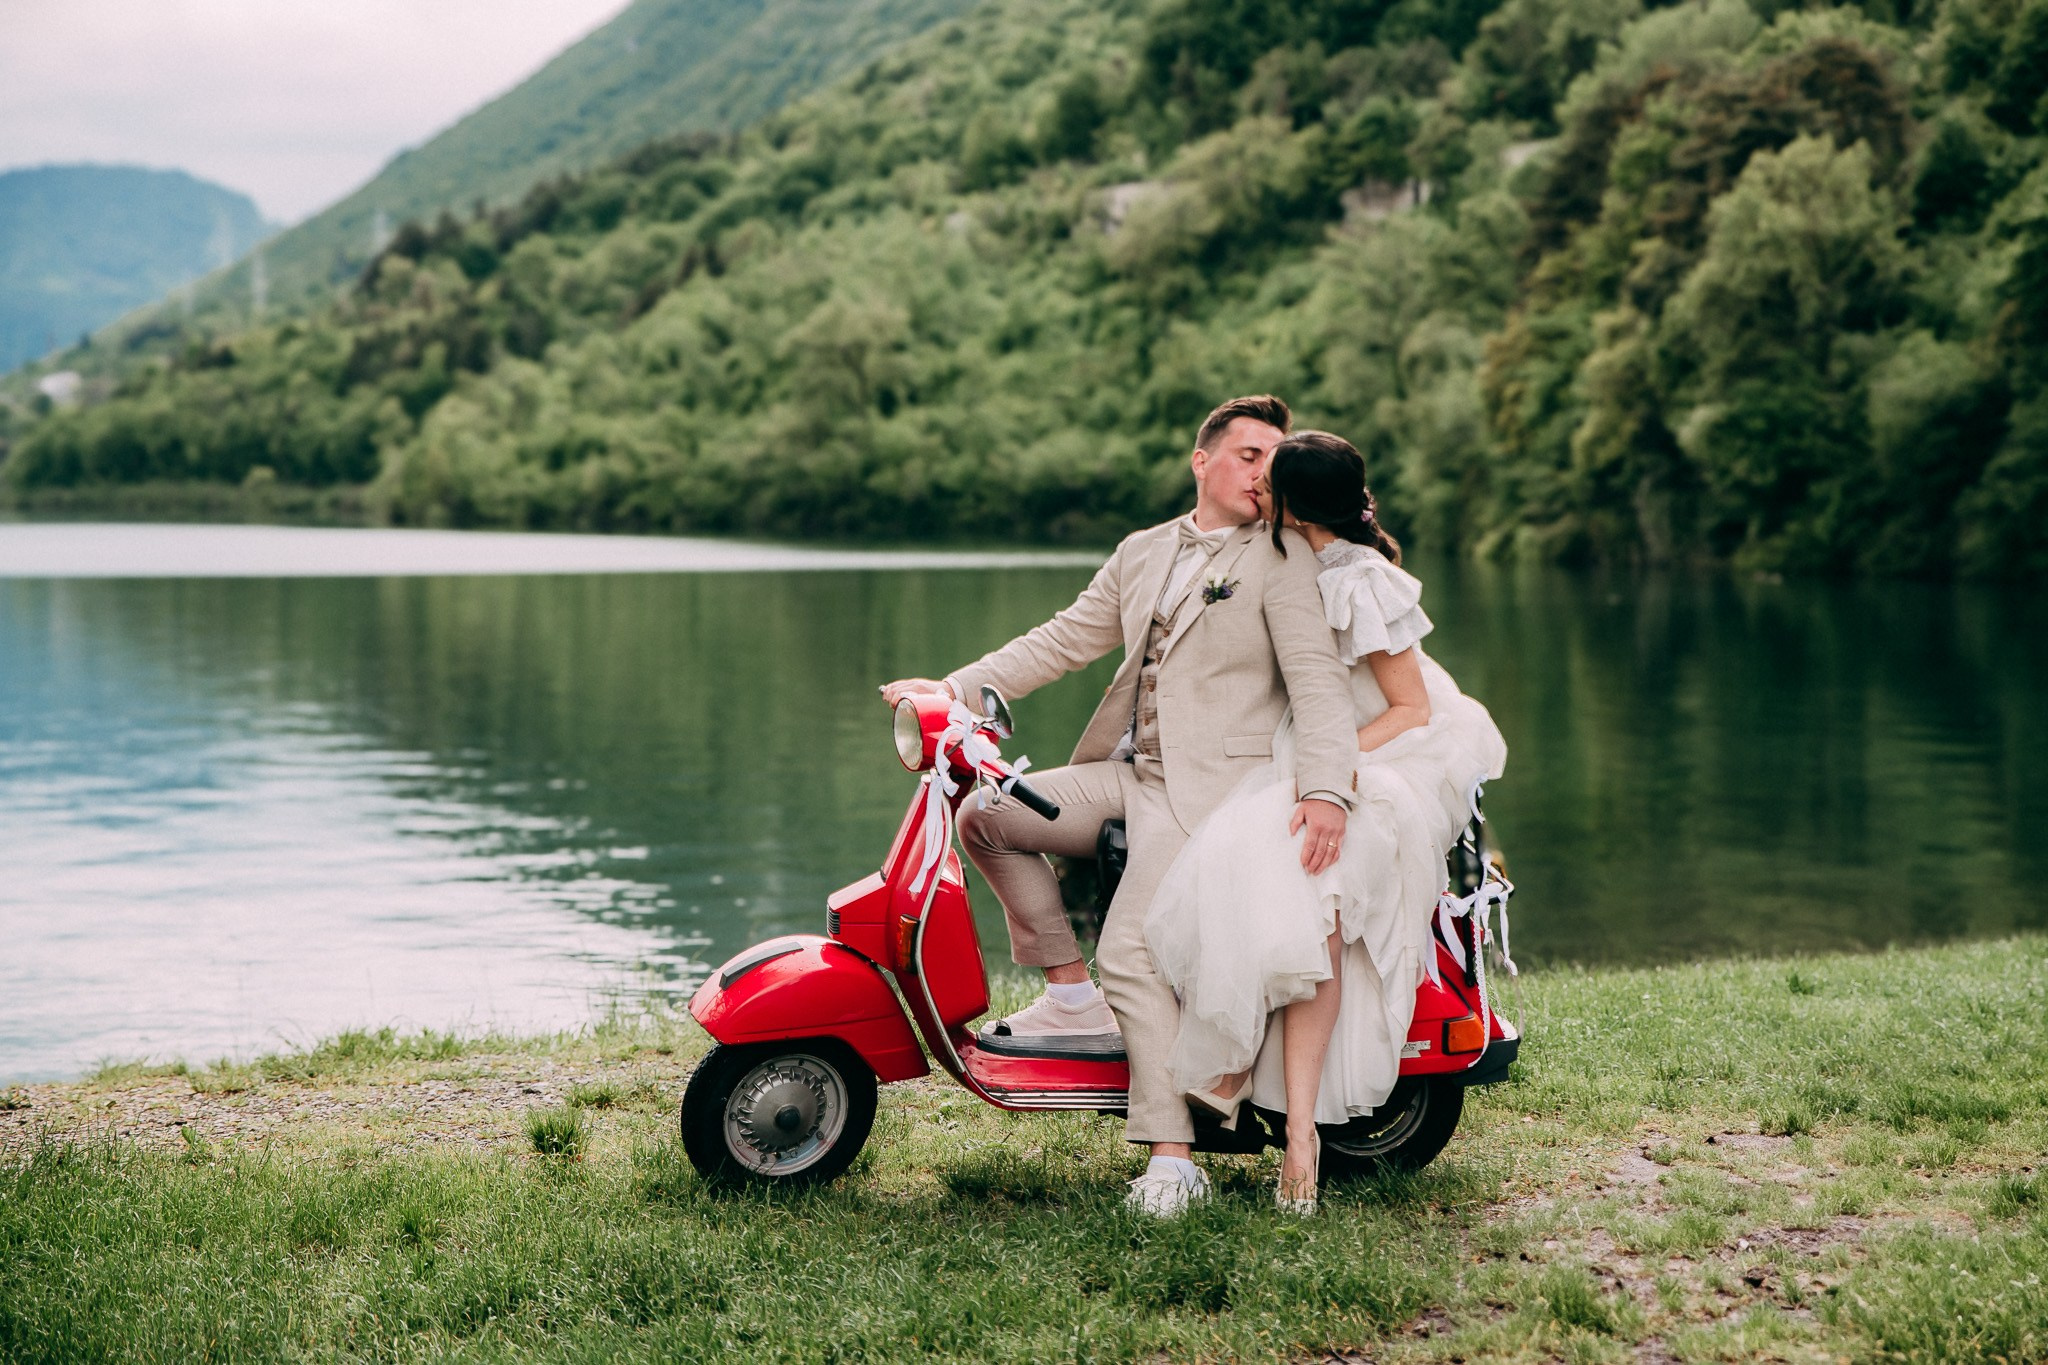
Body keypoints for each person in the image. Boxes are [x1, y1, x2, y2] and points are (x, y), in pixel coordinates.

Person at [879, 395, 1360, 1217]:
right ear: (1201, 461)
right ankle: (1070, 996)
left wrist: (1325, 790)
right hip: (1130, 772)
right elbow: (1062, 638)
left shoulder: (1282, 557)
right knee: (986, 816)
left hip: (1209, 789)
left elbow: (1319, 685)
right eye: (1248, 454)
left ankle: (1174, 1157)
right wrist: (950, 688)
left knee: (1134, 948)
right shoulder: (1142, 550)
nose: (1262, 471)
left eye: (1274, 460)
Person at [1143, 430, 1508, 1213]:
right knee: (1245, 861)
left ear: (1296, 503)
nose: (1257, 485)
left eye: (1268, 478)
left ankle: (1298, 1127)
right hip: (1316, 751)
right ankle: (1238, 1064)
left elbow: (1411, 710)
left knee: (1314, 885)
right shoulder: (1289, 556)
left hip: (1386, 759)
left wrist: (1333, 771)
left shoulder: (1366, 579)